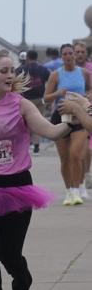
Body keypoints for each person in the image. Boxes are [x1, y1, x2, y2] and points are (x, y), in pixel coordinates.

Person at [0, 52, 82, 290]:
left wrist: (72, 121)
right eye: (4, 71)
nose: (10, 75)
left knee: (9, 253)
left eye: (12, 70)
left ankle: (23, 281)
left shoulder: (20, 104)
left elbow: (50, 131)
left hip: (16, 186)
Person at [43, 43, 92, 201]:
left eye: (71, 53)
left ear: (74, 55)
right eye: (65, 54)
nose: (68, 56)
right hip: (61, 116)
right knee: (65, 158)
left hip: (80, 117)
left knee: (76, 154)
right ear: (61, 56)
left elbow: (90, 89)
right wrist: (57, 93)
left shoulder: (84, 73)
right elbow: (46, 98)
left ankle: (77, 191)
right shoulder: (55, 75)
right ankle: (69, 191)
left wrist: (87, 96)